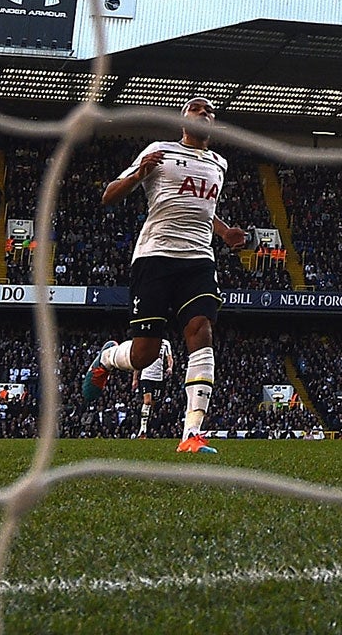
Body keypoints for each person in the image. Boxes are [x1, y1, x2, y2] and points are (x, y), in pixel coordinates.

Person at [81, 96, 245, 454]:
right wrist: (140, 173)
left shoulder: (219, 163)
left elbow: (201, 210)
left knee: (201, 329)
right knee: (144, 356)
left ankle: (192, 433)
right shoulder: (160, 150)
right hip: (155, 257)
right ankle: (108, 358)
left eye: (210, 112)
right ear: (183, 121)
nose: (205, 115)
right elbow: (109, 195)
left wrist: (224, 232)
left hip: (199, 259)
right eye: (198, 111)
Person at [136, 338, 174, 439]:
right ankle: (142, 429)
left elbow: (169, 358)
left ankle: (146, 426)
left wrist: (170, 367)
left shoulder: (165, 343)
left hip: (158, 378)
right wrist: (135, 379)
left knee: (152, 404)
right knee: (147, 402)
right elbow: (138, 359)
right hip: (146, 376)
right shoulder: (146, 340)